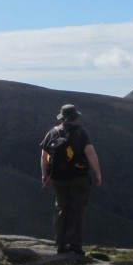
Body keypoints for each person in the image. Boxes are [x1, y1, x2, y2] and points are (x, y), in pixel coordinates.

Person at [39, 103, 102, 255]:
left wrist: (45, 174)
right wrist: (97, 174)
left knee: (61, 208)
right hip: (79, 177)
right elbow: (90, 152)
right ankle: (75, 245)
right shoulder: (81, 132)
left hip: (59, 178)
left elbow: (44, 155)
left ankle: (60, 244)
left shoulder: (52, 132)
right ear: (75, 117)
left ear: (61, 117)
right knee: (77, 210)